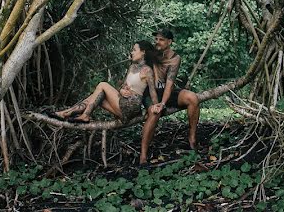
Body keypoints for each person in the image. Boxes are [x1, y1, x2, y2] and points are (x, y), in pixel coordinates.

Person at [53, 41, 160, 123]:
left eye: (134, 50)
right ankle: (65, 113)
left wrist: (156, 107)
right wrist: (122, 90)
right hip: (122, 103)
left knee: (102, 84)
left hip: (130, 107)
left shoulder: (147, 71)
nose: (131, 52)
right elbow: (123, 86)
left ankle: (85, 115)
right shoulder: (132, 67)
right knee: (95, 98)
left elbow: (152, 92)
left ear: (143, 52)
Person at [139, 29, 200, 164]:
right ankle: (143, 155)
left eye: (161, 40)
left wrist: (163, 103)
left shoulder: (175, 58)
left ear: (169, 42)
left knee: (192, 97)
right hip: (150, 92)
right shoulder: (151, 54)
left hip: (166, 92)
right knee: (154, 114)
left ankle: (192, 137)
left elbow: (170, 84)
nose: (157, 42)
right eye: (156, 39)